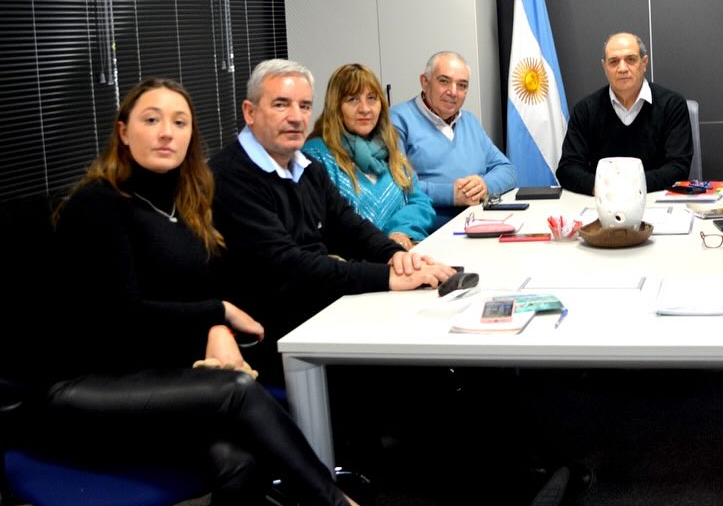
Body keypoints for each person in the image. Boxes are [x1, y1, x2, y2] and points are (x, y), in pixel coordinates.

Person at [41, 78, 359, 506]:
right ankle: (334, 503)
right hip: (83, 387)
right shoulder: (98, 206)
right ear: (123, 132)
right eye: (151, 120)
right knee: (237, 390)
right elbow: (122, 316)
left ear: (192, 135)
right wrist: (217, 313)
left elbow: (203, 287)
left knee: (241, 461)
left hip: (154, 374)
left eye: (179, 121)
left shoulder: (186, 202)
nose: (166, 132)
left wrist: (216, 324)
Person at [211, 59, 453, 368]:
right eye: (281, 105)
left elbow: (350, 225)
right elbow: (289, 266)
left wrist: (396, 256)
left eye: (304, 106)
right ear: (250, 112)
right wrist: (387, 277)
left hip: (323, 311)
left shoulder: (306, 168)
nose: (296, 117)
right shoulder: (232, 176)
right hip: (279, 336)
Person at [304, 63, 435, 249]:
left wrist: (400, 231)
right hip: (351, 269)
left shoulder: (390, 149)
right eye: (352, 100)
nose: (365, 109)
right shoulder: (316, 156)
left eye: (372, 98)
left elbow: (419, 201)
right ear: (336, 107)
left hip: (400, 258)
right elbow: (322, 227)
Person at [391, 51, 517, 230]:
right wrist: (451, 195)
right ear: (425, 82)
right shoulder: (398, 120)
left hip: (479, 225)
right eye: (444, 81)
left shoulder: (470, 121)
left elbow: (507, 170)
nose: (453, 92)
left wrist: (484, 185)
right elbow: (397, 185)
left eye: (462, 85)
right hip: (428, 232)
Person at [556, 32, 693, 194]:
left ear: (644, 63)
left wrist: (624, 187)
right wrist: (605, 189)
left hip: (656, 202)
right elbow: (567, 169)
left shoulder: (672, 105)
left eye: (630, 59)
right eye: (614, 61)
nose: (622, 68)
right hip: (602, 202)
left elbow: (678, 168)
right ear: (604, 67)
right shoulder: (585, 110)